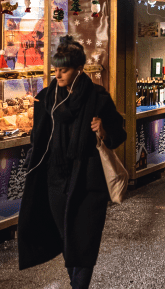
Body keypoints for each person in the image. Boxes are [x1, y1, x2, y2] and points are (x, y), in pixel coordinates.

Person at [17, 36, 127, 289]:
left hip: (88, 179)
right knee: (67, 238)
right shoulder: (47, 98)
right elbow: (38, 136)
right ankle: (76, 281)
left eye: (63, 70)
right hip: (55, 179)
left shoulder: (98, 97)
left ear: (78, 69)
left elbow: (119, 133)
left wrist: (104, 130)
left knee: (85, 238)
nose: (58, 75)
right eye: (56, 70)